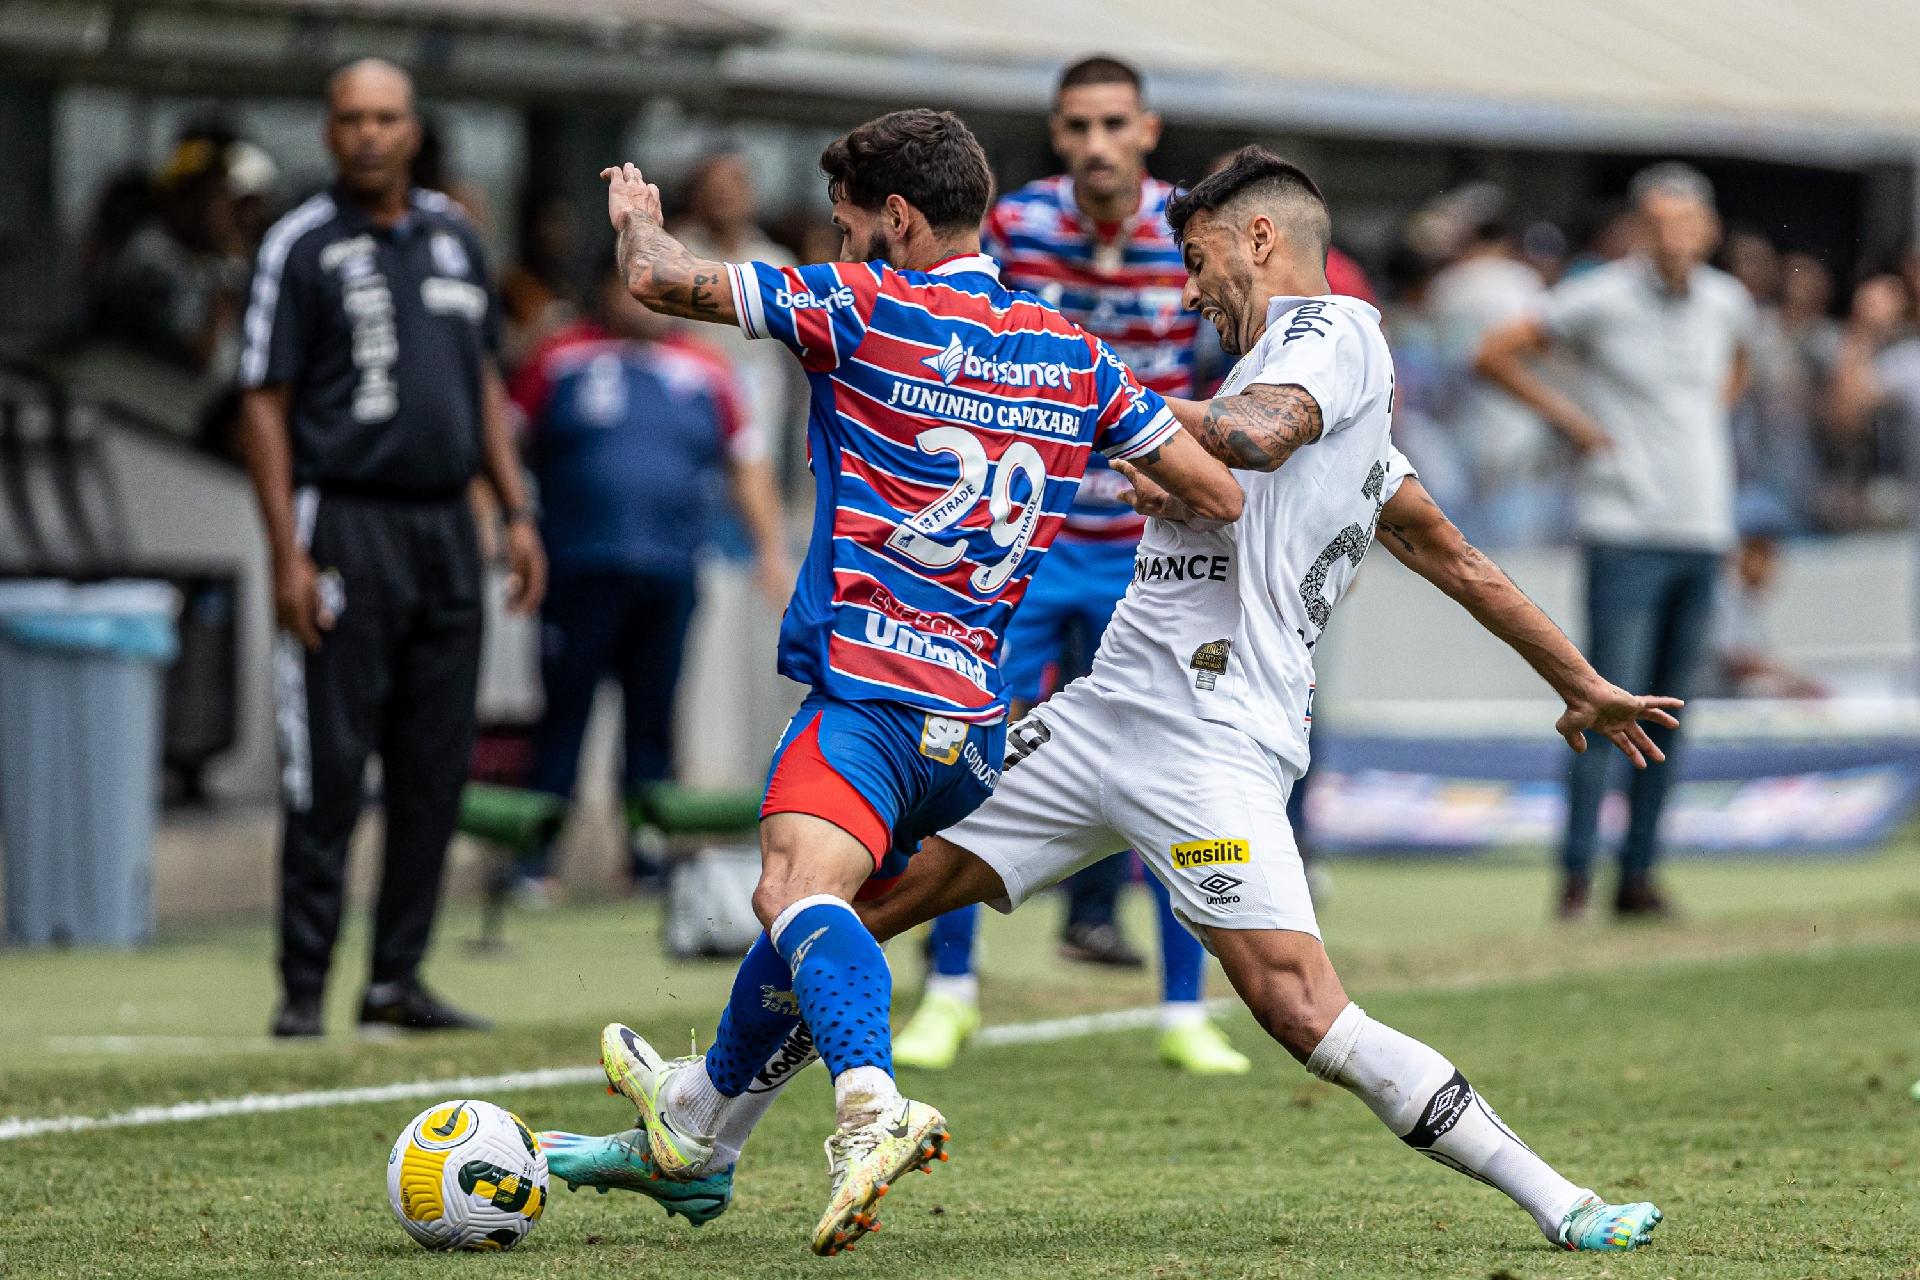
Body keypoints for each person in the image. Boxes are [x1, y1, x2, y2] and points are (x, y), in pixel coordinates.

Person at [570, 147, 1678, 1255]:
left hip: (1214, 741)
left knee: (1300, 1008)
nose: (1190, 292)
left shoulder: (1328, 333)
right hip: (1101, 714)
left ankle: (1559, 1196)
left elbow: (1256, 434)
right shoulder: (1365, 435)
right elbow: (1456, 556)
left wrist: (1093, 402)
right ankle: (702, 1132)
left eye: (1196, 263)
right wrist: (1578, 680)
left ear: (1259, 240)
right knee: (847, 902)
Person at [586, 110, 1244, 1256]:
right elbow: (1214, 493)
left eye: (849, 225)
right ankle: (695, 1127)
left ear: (896, 218)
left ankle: (868, 1106)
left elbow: (658, 282)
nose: (841, 247)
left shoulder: (862, 306)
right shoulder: (1073, 353)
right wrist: (1126, 482)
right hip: (977, 724)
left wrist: (639, 223)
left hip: (872, 696)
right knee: (821, 916)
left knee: (791, 890)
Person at [891, 54, 1248, 1080]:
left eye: (1112, 124)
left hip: (1153, 550)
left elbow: (1236, 370)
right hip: (1026, 547)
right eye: (1077, 125)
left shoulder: (1192, 234)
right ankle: (950, 988)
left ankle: (1185, 1005)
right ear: (1059, 135)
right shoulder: (1015, 227)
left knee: (1179, 762)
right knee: (964, 752)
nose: (1095, 142)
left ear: (1147, 130)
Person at [238, 59, 546, 1038]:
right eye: (351, 119)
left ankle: (396, 981)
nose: (370, 134)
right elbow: (264, 401)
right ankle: (302, 990)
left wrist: (516, 508)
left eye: (386, 118)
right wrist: (286, 549)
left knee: (433, 764)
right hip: (344, 525)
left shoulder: (457, 237)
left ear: (413, 131)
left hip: (446, 530)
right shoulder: (300, 245)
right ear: (330, 134)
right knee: (328, 768)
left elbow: (484, 387)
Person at [1476, 162, 1753, 920]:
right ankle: (1575, 876)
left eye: (1687, 223)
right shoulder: (1599, 296)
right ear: (1639, 229)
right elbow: (1494, 351)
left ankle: (1639, 875)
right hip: (1624, 525)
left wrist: (1699, 433)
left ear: (1709, 230)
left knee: (1672, 712)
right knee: (1605, 705)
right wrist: (1573, 423)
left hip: (1701, 524)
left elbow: (1738, 367)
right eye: (1659, 224)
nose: (1674, 239)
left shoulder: (1727, 302)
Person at [509, 256, 789, 899]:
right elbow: (501, 442)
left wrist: (769, 549)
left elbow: (746, 464)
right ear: (609, 287)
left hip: (669, 570)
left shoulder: (706, 368)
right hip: (575, 567)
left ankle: (646, 857)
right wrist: (499, 525)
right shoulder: (558, 358)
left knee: (654, 718)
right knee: (563, 712)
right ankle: (536, 859)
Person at [671, 151, 805, 490]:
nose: (723, 195)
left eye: (733, 184)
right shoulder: (674, 252)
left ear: (752, 193)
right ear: (696, 194)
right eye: (712, 187)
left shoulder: (777, 262)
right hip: (685, 417)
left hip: (757, 424)